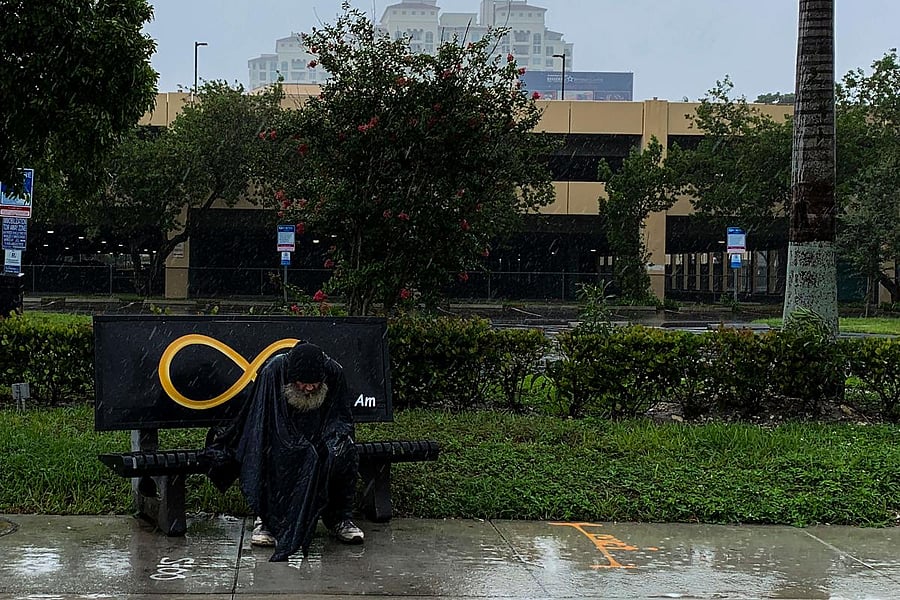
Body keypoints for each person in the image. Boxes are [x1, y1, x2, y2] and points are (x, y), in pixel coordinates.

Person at [205, 341, 363, 561]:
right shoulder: (273, 372)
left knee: (343, 451)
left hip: (319, 437)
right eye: (303, 384)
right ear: (291, 378)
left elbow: (341, 417)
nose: (309, 389)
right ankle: (267, 520)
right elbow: (263, 421)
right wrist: (296, 444)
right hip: (278, 436)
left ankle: (339, 517)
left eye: (314, 384)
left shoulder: (333, 372)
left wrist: (327, 441)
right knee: (273, 453)